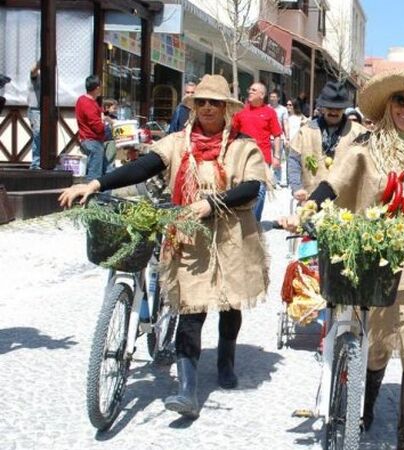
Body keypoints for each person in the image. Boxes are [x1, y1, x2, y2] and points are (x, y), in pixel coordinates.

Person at [59, 74, 268, 419]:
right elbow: (142, 167)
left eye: (214, 102)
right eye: (201, 102)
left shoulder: (242, 146)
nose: (207, 108)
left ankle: (226, 358)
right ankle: (187, 390)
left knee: (229, 304)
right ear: (194, 106)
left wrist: (212, 203)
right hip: (187, 236)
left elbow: (251, 188)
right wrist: (96, 182)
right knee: (190, 309)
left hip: (231, 235)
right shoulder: (177, 142)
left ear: (226, 108)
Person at [280, 69, 404, 449]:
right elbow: (334, 184)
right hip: (375, 257)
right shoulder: (366, 145)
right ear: (389, 104)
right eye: (400, 100)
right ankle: (365, 412)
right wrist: (307, 210)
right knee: (376, 344)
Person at [287, 80, 366, 202]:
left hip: (345, 207)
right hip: (310, 202)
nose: (334, 112)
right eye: (330, 107)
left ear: (344, 108)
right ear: (322, 107)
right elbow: (293, 160)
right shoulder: (305, 131)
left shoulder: (359, 133)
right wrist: (296, 187)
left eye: (338, 108)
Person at [232, 82, 283, 221]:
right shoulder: (240, 111)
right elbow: (233, 133)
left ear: (262, 95)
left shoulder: (269, 112)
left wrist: (277, 156)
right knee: (243, 190)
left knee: (259, 190)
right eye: (250, 89)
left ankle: (254, 223)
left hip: (262, 159)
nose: (250, 91)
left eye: (254, 90)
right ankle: (243, 221)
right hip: (242, 158)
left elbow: (277, 135)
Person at [75, 75, 107, 181]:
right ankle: (93, 197)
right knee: (95, 175)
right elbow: (97, 126)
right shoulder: (89, 103)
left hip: (87, 140)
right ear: (97, 88)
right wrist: (105, 125)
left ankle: (99, 196)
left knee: (100, 172)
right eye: (101, 87)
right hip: (93, 141)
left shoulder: (81, 100)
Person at [269, 89, 289, 188]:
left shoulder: (283, 110)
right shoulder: (266, 108)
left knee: (279, 160)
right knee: (269, 159)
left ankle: (280, 181)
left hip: (279, 138)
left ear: (278, 98)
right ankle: (271, 181)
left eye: (274, 97)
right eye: (271, 97)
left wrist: (287, 137)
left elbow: (285, 123)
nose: (272, 99)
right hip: (268, 138)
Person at [28, 62, 41, 170]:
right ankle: (35, 163)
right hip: (35, 109)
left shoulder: (50, 77)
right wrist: (39, 64)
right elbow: (32, 71)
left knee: (43, 135)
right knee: (38, 134)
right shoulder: (37, 75)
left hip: (43, 110)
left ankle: (39, 162)